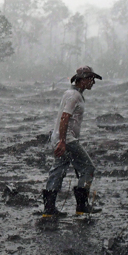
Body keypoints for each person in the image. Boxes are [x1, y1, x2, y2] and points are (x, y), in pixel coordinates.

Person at [42, 66, 103, 217]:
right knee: (88, 168)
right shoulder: (73, 96)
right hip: (67, 140)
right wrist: (63, 141)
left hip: (62, 138)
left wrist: (60, 140)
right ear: (81, 80)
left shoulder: (72, 94)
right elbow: (64, 117)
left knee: (59, 169)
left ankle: (49, 209)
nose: (93, 82)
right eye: (91, 79)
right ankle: (82, 206)